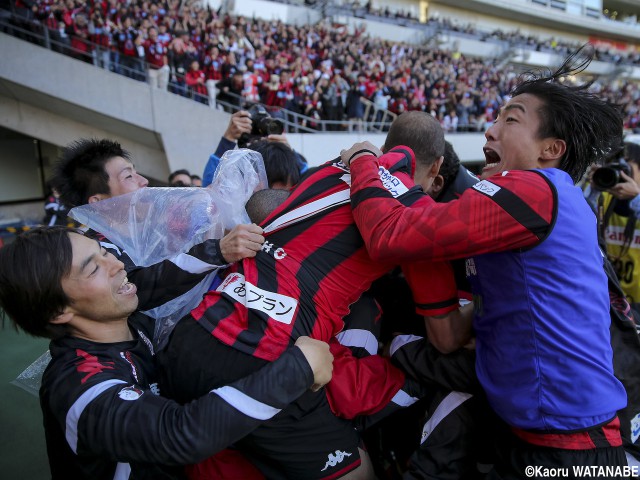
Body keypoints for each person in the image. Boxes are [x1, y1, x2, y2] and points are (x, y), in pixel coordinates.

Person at [342, 46, 628, 477]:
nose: (490, 132)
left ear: (551, 148)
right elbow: (446, 336)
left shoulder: (534, 189)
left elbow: (389, 236)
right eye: (494, 118)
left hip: (572, 450)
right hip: (529, 436)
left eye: (510, 119)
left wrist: (365, 162)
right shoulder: (522, 213)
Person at [156, 113, 462, 479]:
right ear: (438, 166)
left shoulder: (329, 168)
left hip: (190, 339)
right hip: (264, 360)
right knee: (359, 471)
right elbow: (446, 338)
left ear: (384, 146)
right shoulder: (418, 216)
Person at [0, 226, 334, 480]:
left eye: (104, 251)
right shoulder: (77, 386)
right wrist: (298, 368)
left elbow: (158, 281)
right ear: (58, 311)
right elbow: (179, 434)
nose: (116, 263)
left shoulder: (123, 317)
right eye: (92, 268)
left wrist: (220, 250)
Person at [50, 139, 263, 339]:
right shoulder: (97, 250)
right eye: (128, 177)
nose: (144, 182)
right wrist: (217, 251)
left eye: (136, 172)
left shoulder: (153, 229)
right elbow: (138, 285)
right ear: (98, 202)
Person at [202, 109, 307, 188]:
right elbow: (211, 194)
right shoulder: (239, 168)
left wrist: (286, 154)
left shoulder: (287, 167)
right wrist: (227, 140)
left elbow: (307, 185)